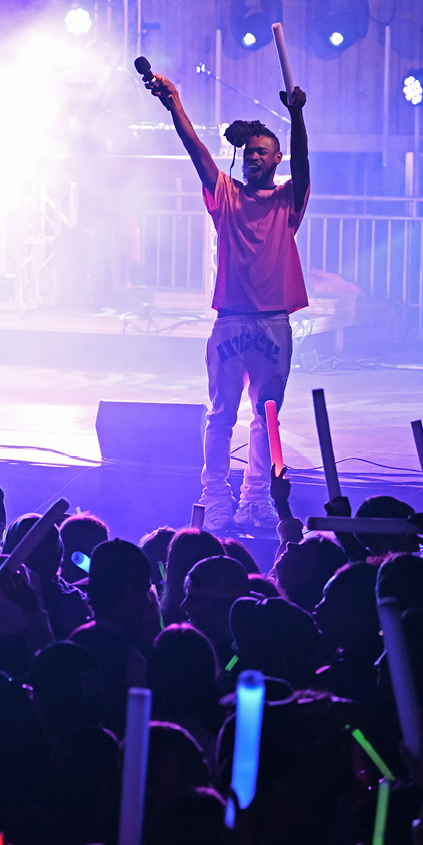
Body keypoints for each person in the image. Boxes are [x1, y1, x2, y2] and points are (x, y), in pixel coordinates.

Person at [143, 71, 309, 530]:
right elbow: (195, 150)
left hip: (274, 320)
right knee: (221, 412)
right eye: (249, 151)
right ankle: (215, 494)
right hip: (232, 320)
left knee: (267, 415)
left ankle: (257, 496)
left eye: (263, 151)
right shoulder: (225, 194)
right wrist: (174, 103)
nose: (255, 156)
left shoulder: (288, 199)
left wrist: (297, 117)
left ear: (277, 159)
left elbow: (306, 160)